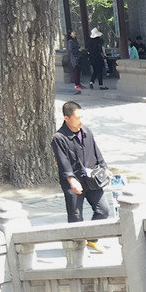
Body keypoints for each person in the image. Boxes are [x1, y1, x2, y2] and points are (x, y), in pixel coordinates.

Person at [51, 101, 110, 253]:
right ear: (66, 118)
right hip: (74, 182)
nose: (80, 121)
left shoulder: (86, 131)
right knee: (76, 215)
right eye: (77, 118)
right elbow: (62, 161)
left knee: (103, 210)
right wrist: (71, 179)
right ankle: (77, 246)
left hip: (92, 179)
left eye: (81, 117)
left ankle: (92, 239)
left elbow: (97, 152)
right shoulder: (59, 138)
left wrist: (105, 168)